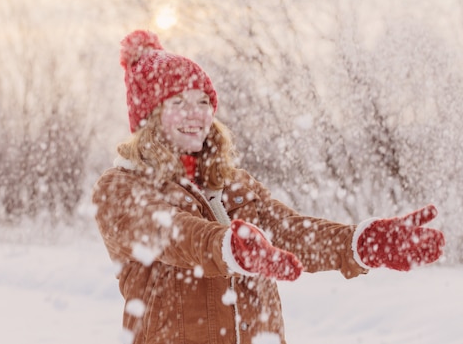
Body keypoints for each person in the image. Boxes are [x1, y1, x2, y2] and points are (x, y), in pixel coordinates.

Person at [92, 30, 445, 344]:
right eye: (178, 103)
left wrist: (358, 244)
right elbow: (172, 234)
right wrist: (228, 246)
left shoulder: (233, 185)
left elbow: (290, 233)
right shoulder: (121, 187)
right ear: (150, 117)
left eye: (203, 102)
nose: (195, 114)